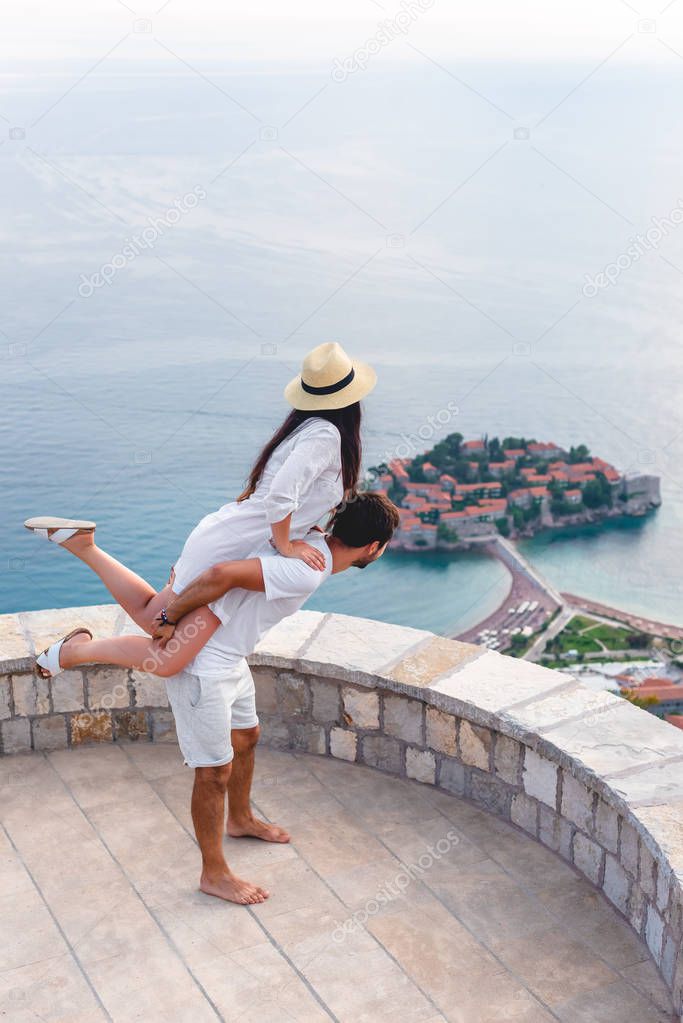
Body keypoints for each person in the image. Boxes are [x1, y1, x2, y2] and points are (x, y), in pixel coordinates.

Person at [29, 493, 400, 907]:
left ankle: (239, 819)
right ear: (374, 548)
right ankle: (214, 873)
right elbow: (224, 573)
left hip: (228, 650)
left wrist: (181, 586)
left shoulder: (306, 539)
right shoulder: (306, 569)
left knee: (247, 734)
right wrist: (173, 614)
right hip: (207, 663)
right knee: (212, 772)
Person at [24, 341, 377, 628]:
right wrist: (286, 545)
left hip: (234, 534)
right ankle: (84, 550)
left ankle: (84, 545)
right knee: (155, 621)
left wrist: (306, 524)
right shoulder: (327, 436)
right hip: (235, 542)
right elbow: (281, 495)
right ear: (351, 399)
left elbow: (292, 494)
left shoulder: (307, 429)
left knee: (154, 611)